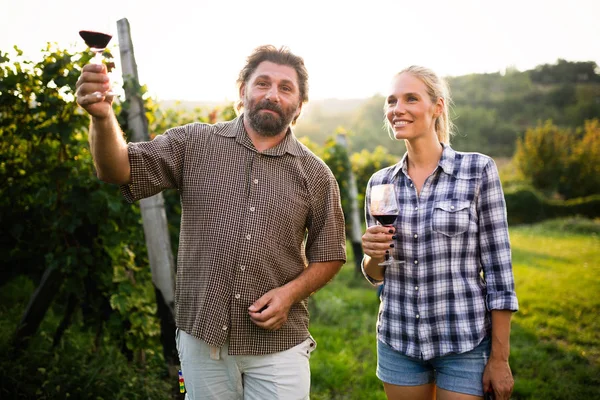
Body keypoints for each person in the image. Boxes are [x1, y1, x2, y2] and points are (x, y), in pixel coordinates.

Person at [76, 45, 347, 399]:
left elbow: (330, 253)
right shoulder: (194, 143)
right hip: (202, 338)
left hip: (279, 346)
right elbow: (116, 169)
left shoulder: (315, 175)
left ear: (299, 105)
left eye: (285, 88)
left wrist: (289, 294)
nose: (272, 94)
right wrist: (101, 116)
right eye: (262, 83)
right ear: (242, 91)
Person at [361, 66, 518, 400]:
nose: (396, 109)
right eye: (391, 101)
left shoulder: (477, 171)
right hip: (398, 340)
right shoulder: (380, 183)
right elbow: (376, 274)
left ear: (437, 107)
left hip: (463, 342)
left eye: (410, 98)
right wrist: (372, 256)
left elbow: (500, 275)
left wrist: (500, 359)